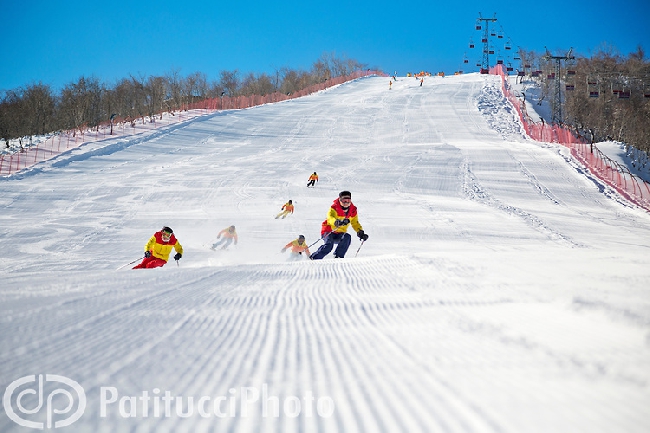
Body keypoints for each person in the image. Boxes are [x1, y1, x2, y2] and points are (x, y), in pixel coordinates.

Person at [310, 191, 369, 260]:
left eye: (348, 201)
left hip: (340, 233)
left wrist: (360, 231)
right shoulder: (334, 208)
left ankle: (338, 257)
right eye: (344, 201)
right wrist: (336, 222)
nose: (346, 203)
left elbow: (355, 222)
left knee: (347, 237)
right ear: (340, 200)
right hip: (329, 231)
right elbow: (330, 218)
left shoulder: (353, 210)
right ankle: (314, 258)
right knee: (329, 245)